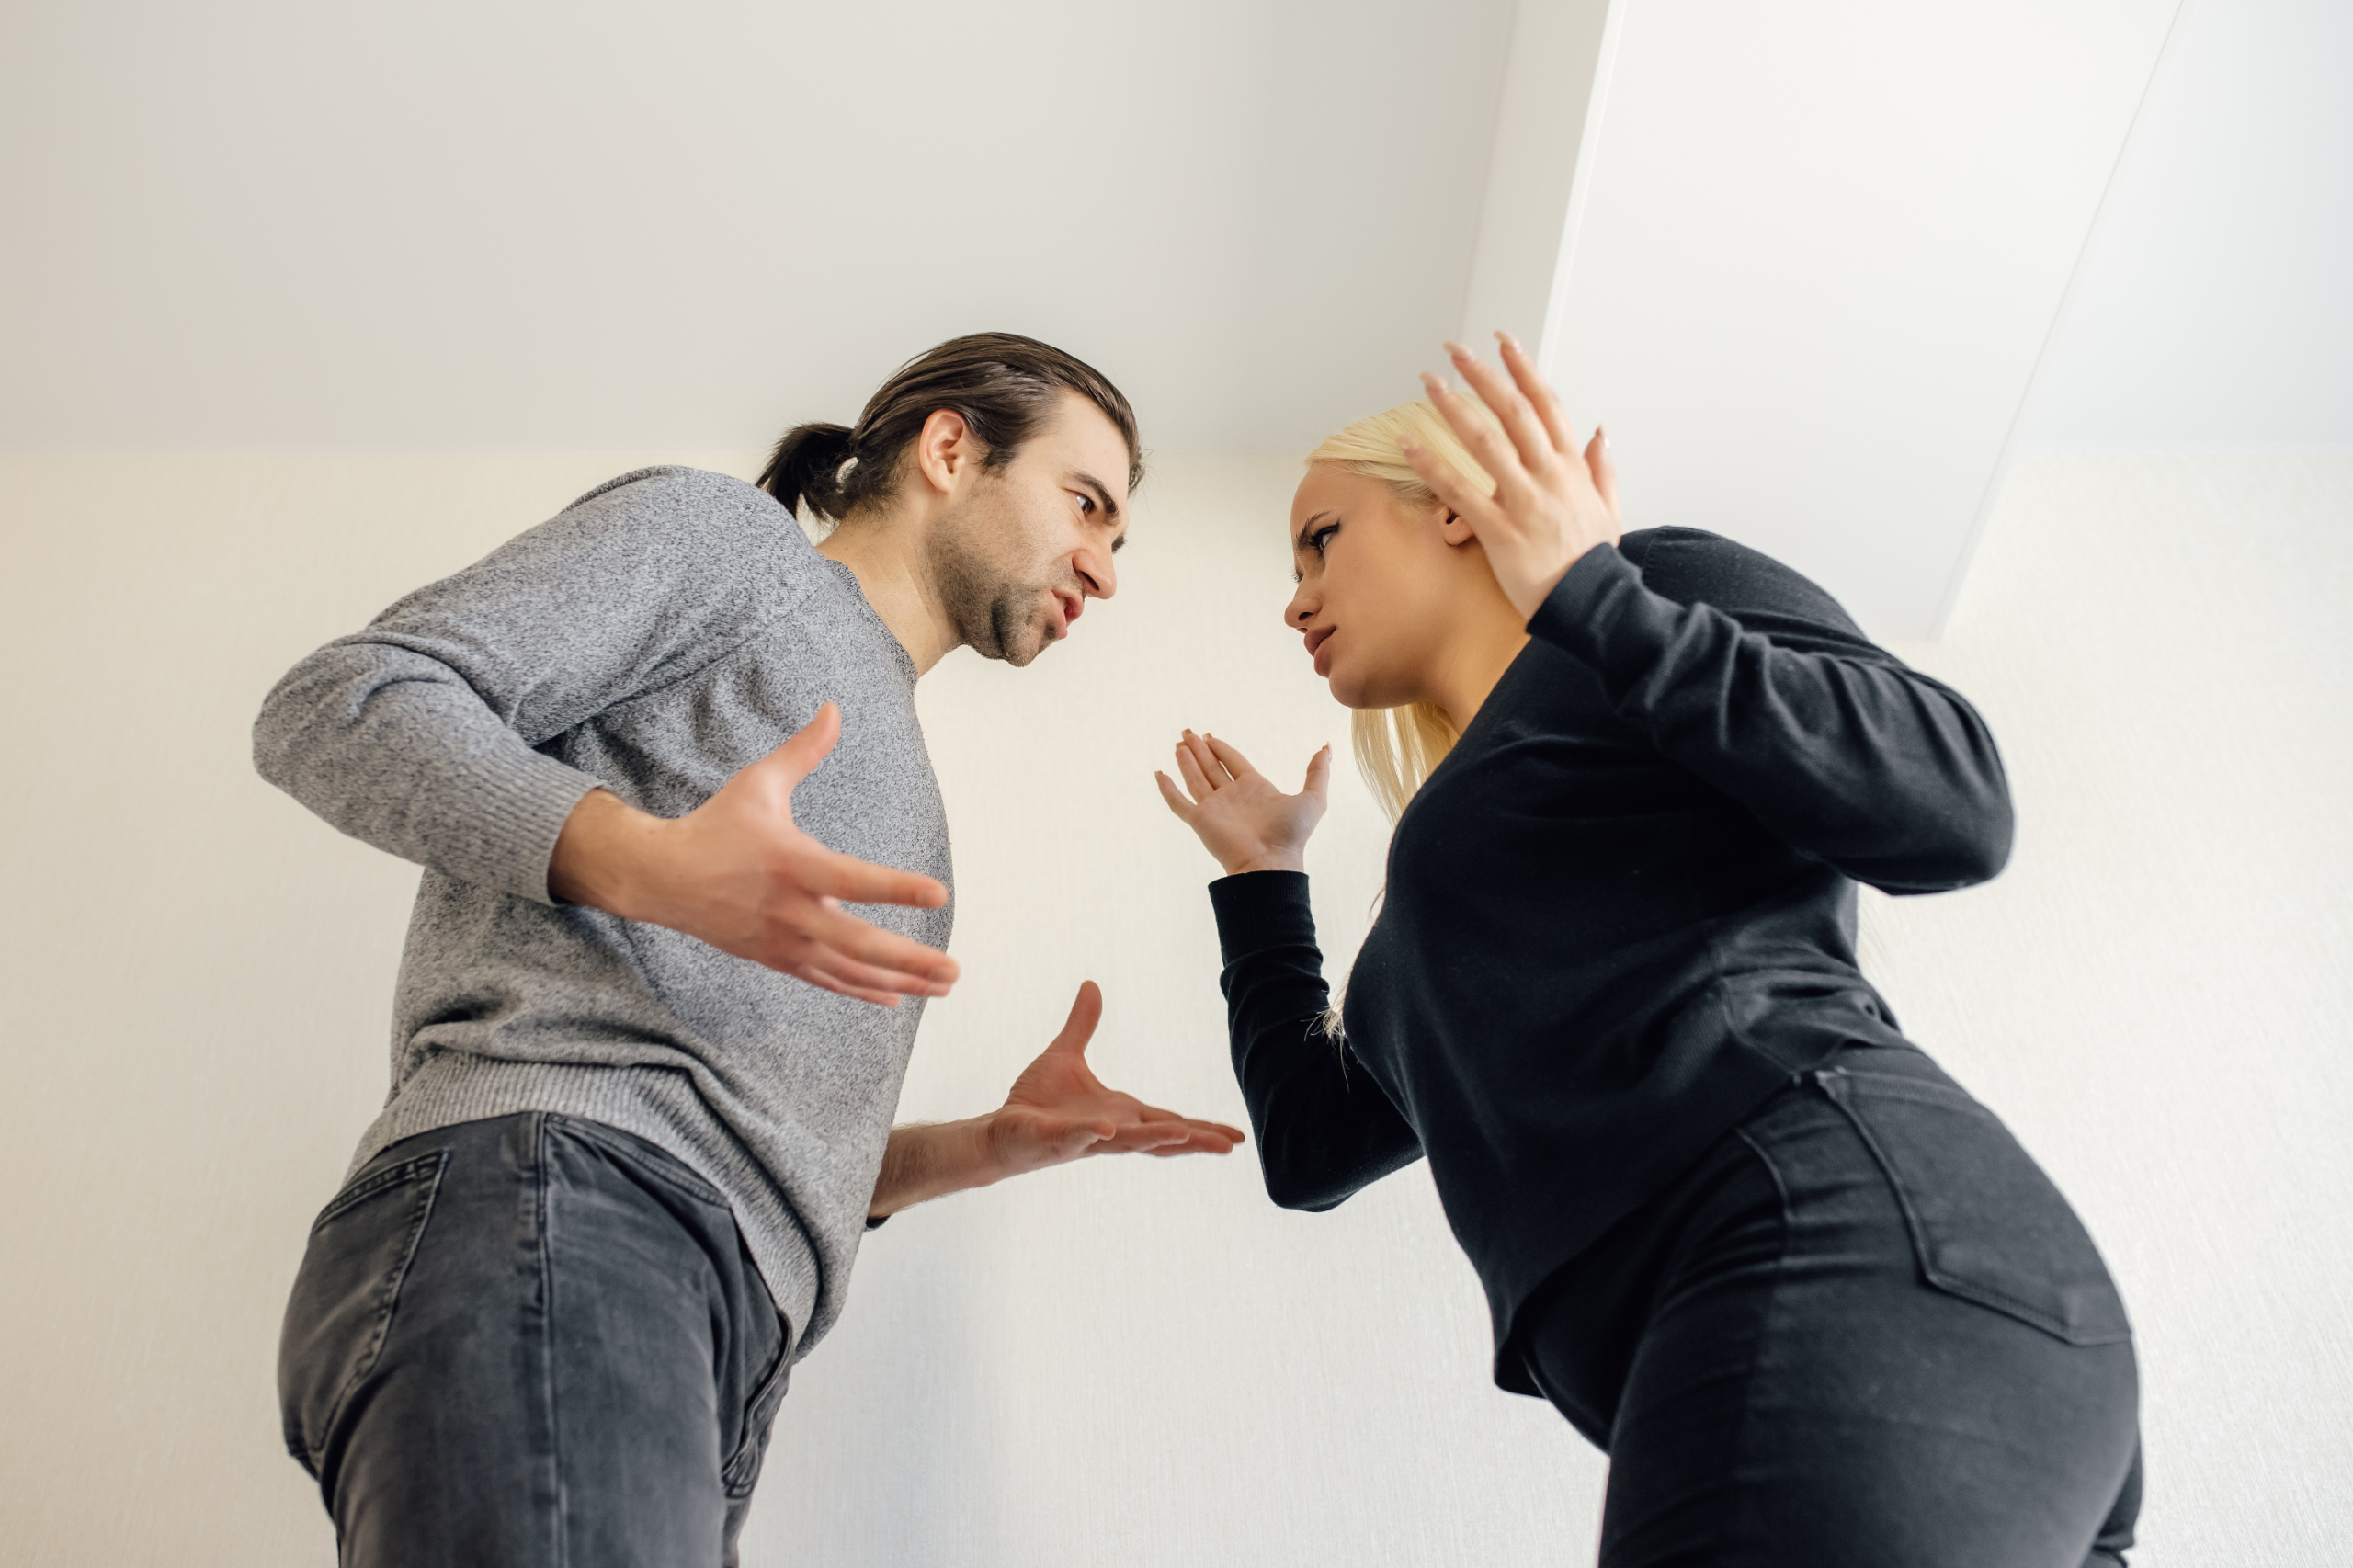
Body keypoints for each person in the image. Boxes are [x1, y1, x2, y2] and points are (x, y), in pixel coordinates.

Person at [258, 332, 1244, 1567]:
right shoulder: (728, 547)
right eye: (1086, 503)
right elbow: (339, 700)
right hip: (561, 1215)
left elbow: (741, 1135)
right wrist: (641, 860)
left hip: (717, 1340)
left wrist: (982, 1148)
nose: (1103, 566)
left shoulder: (913, 806)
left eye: (1119, 538)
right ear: (950, 450)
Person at [1155, 335, 2142, 1566]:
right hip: (1824, 1329)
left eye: (1322, 539)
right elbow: (1308, 1150)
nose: (1295, 597)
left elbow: (1955, 804)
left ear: (1452, 507)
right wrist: (1264, 881)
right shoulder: (1431, 903)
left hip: (1840, 1258)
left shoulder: (1650, 597)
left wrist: (1596, 592)